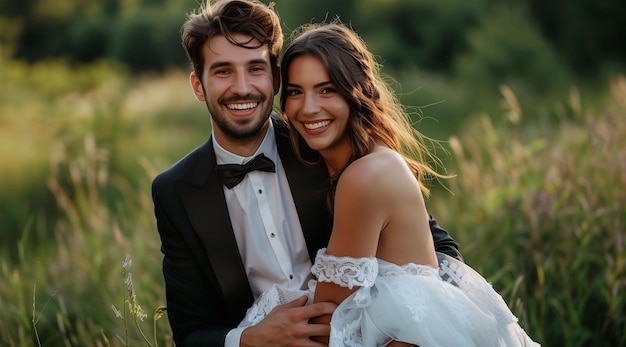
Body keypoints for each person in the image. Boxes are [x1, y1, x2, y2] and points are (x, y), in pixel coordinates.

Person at [151, 1, 462, 346]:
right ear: (198, 85)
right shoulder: (175, 192)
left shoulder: (324, 145)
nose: (242, 87)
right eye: (223, 71)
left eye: (255, 68)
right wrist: (248, 340)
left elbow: (436, 249)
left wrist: (411, 327)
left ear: (275, 79)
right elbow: (191, 334)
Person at [237, 22, 540, 346]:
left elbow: (324, 323)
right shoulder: (371, 157)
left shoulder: (363, 177)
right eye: (296, 92)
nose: (308, 107)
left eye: (327, 89)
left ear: (358, 93)